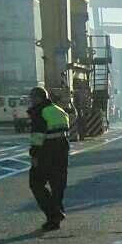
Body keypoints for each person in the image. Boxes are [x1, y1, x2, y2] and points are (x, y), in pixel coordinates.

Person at [27, 86, 71, 231]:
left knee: (36, 183)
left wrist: (34, 156)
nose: (31, 101)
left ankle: (54, 214)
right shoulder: (58, 110)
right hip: (62, 150)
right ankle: (55, 218)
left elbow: (37, 137)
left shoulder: (39, 112)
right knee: (57, 185)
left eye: (32, 98)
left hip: (46, 152)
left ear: (38, 98)